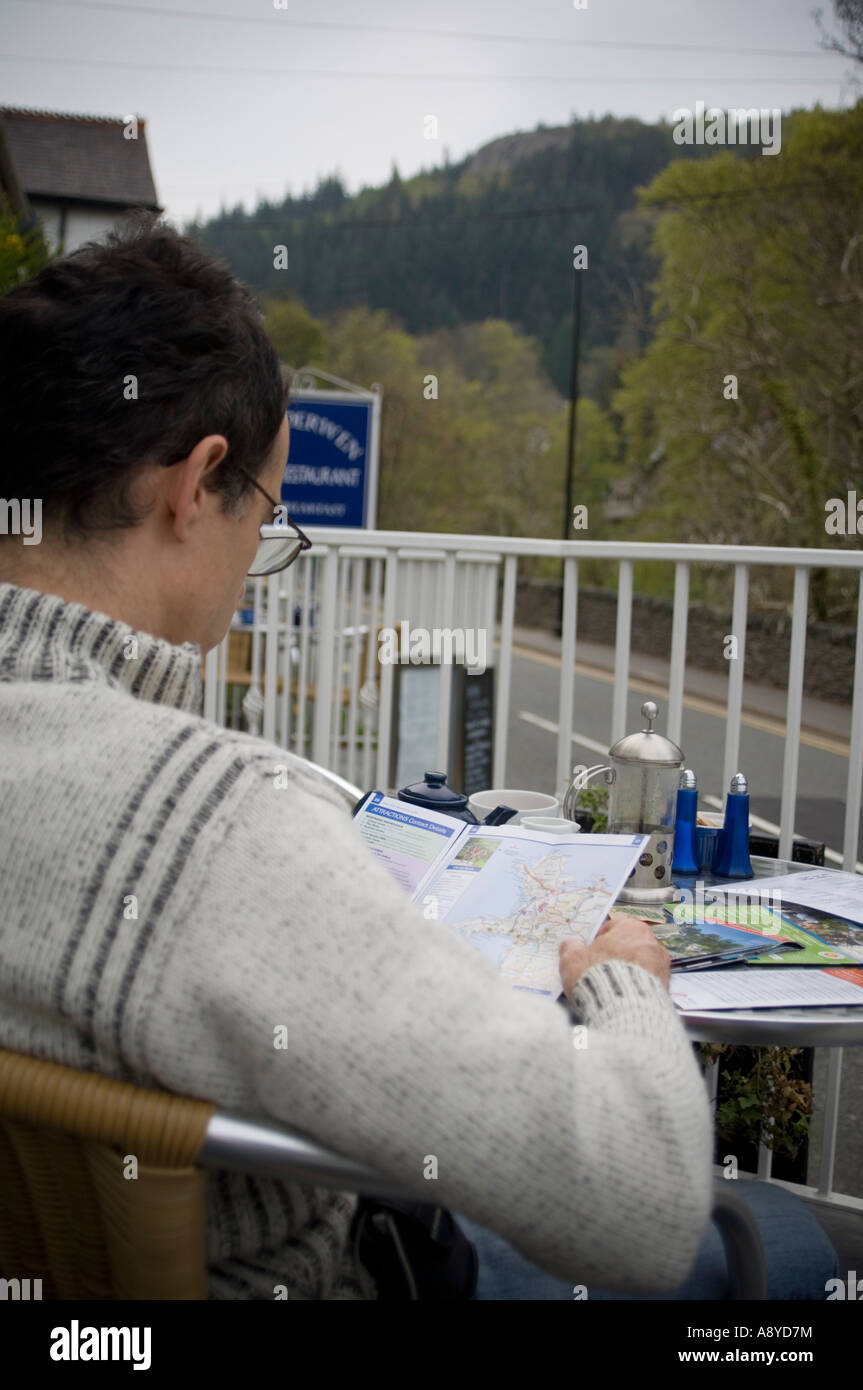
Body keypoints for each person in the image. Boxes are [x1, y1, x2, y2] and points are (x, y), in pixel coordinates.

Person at [0, 215, 837, 1300]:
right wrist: (625, 982)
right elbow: (639, 1202)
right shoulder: (204, 822)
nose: (258, 551)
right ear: (195, 483)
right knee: (795, 1242)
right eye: (260, 508)